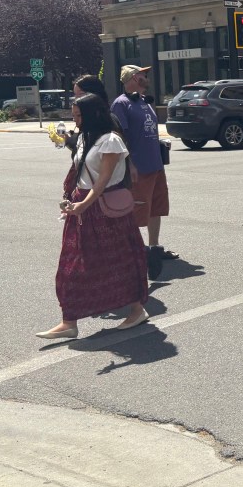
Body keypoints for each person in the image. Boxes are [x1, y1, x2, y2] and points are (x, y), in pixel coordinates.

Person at [38, 94, 149, 339]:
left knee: (118, 262)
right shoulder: (85, 139)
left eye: (78, 115)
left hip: (104, 209)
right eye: (74, 115)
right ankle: (69, 322)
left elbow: (103, 180)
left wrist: (84, 204)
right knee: (72, 266)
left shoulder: (110, 140)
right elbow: (80, 172)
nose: (75, 120)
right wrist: (71, 198)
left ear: (92, 115)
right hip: (82, 208)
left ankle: (137, 310)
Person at [111, 65, 174, 280]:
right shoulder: (121, 104)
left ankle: (153, 248)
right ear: (133, 77)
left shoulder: (145, 101)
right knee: (138, 212)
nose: (146, 77)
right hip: (139, 167)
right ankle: (135, 254)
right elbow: (119, 136)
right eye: (142, 75)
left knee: (156, 207)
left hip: (155, 164)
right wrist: (130, 164)